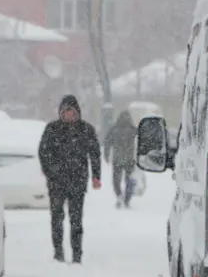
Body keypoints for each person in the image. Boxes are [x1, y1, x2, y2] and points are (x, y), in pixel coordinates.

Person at [38, 95, 102, 263]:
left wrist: (96, 176)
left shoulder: (86, 130)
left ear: (77, 113)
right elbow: (43, 152)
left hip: (77, 181)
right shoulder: (52, 129)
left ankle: (77, 253)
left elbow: (94, 154)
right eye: (65, 112)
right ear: (61, 113)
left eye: (72, 112)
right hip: (56, 182)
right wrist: (49, 170)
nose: (69, 115)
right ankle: (58, 252)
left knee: (76, 220)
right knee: (57, 218)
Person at [104, 110, 138, 209]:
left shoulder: (114, 129)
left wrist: (106, 155)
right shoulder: (133, 130)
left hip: (117, 160)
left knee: (116, 181)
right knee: (129, 180)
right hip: (129, 160)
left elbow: (107, 143)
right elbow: (142, 141)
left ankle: (119, 196)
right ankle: (127, 199)